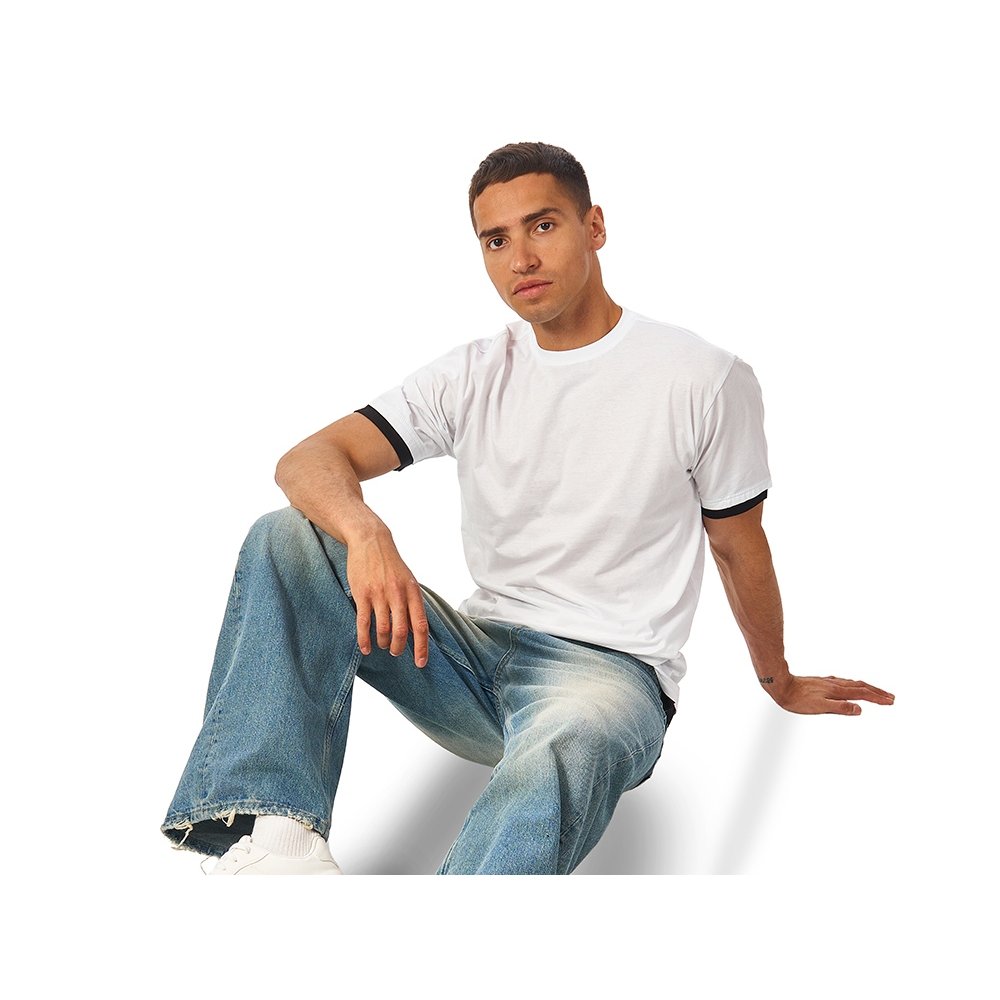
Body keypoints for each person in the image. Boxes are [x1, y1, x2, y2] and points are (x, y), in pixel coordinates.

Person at [161, 141, 895, 875]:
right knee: (287, 537)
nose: (521, 259)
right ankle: (277, 843)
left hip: (609, 674)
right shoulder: (474, 371)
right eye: (496, 240)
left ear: (594, 226)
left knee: (574, 734)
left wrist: (778, 679)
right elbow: (307, 460)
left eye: (543, 226)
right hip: (469, 659)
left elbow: (738, 544)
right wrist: (365, 532)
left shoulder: (702, 377)